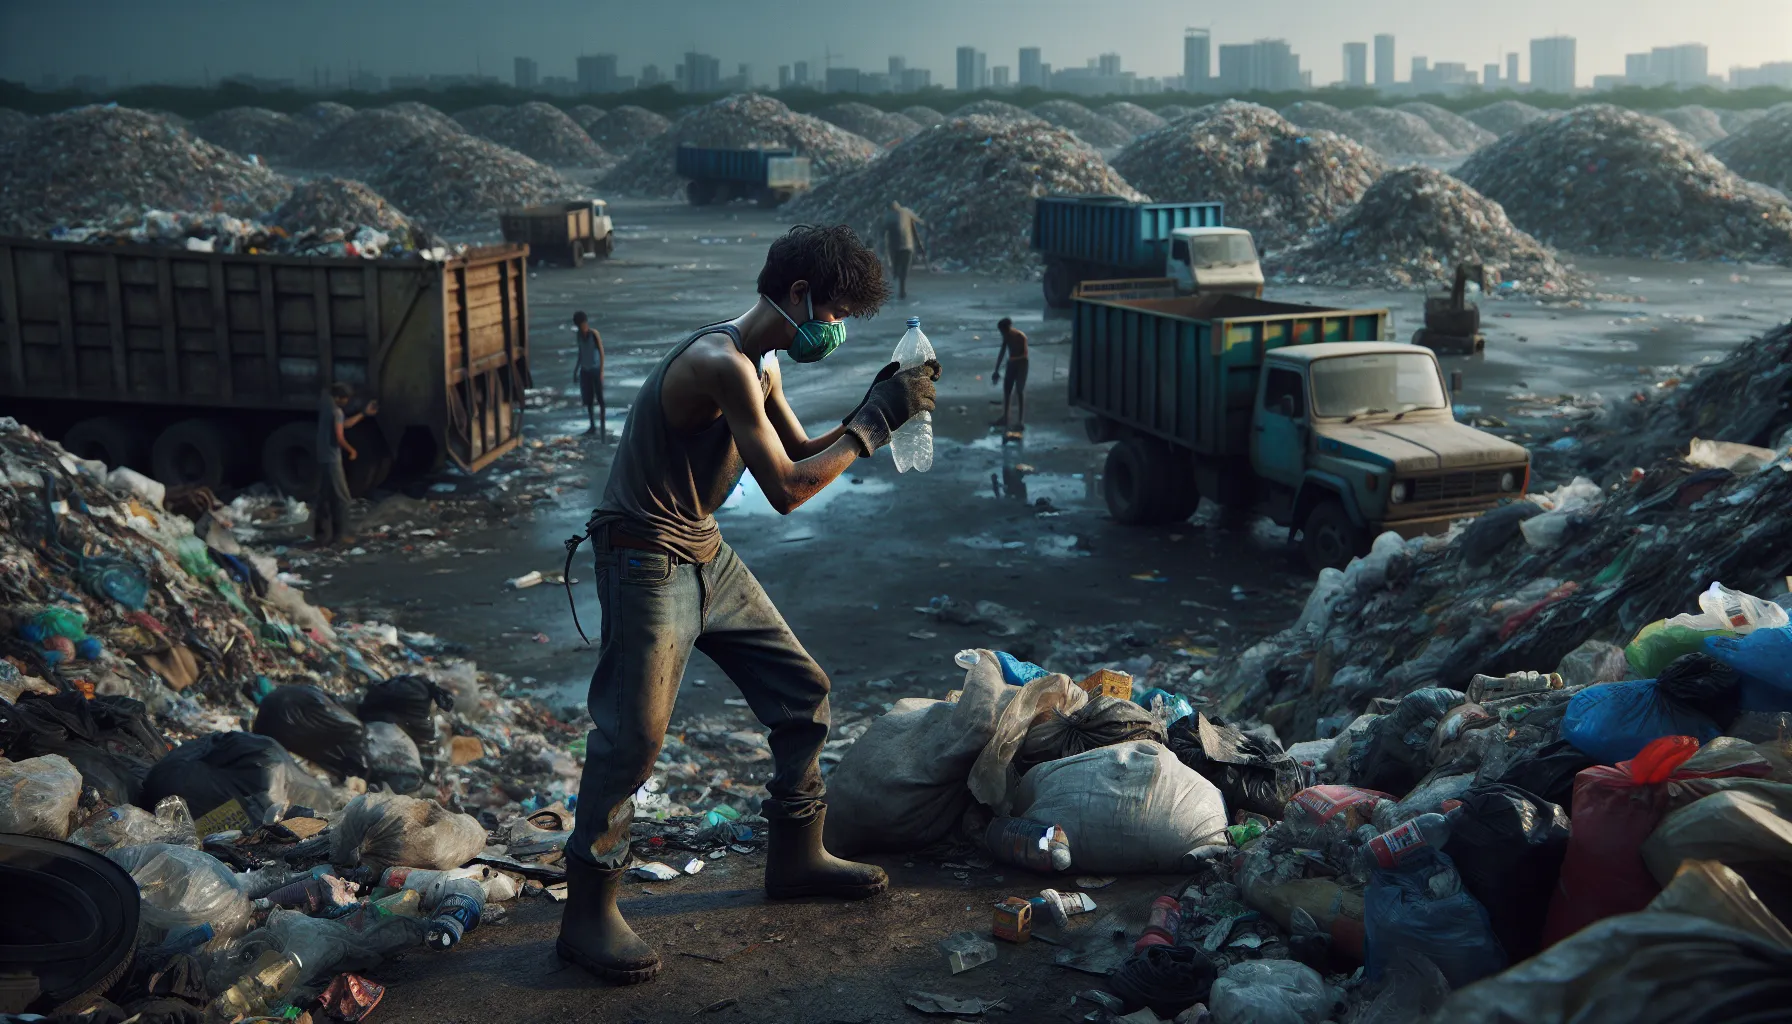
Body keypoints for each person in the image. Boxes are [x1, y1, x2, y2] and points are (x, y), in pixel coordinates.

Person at [558, 224, 939, 986]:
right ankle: (586, 916)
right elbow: (788, 492)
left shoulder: (761, 361)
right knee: (632, 741)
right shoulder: (718, 361)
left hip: (701, 546)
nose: (831, 330)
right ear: (798, 295)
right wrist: (874, 425)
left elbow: (798, 452)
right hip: (643, 555)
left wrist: (875, 404)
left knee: (803, 693)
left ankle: (796, 856)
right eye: (831, 312)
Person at [313, 382, 377, 546]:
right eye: (345, 399)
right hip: (333, 459)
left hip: (322, 457)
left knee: (324, 497)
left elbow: (344, 424)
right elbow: (340, 437)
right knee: (343, 498)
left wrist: (363, 414)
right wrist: (351, 450)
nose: (346, 402)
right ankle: (341, 536)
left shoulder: (327, 406)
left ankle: (320, 534)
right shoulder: (337, 411)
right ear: (338, 398)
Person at [877, 200, 927, 300]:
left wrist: (880, 248)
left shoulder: (888, 217)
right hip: (907, 246)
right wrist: (920, 245)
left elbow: (881, 233)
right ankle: (901, 290)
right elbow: (916, 226)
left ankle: (899, 287)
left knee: (897, 269)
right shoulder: (907, 212)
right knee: (904, 269)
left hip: (895, 247)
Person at [573, 310, 606, 438]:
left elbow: (602, 353)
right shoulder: (579, 336)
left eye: (582, 325)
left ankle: (602, 424)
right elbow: (580, 353)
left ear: (585, 323)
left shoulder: (594, 334)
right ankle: (592, 425)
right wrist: (576, 371)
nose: (581, 328)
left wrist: (602, 371)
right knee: (588, 399)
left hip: (596, 369)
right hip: (585, 370)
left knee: (600, 398)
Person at [991, 317, 1029, 429]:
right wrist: (996, 370)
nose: (1002, 333)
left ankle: (1020, 421)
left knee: (1020, 391)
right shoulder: (1006, 337)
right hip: (1012, 363)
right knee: (1007, 390)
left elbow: (1023, 354)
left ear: (1007, 328)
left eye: (1002, 331)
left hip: (1022, 363)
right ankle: (1005, 417)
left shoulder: (1020, 336)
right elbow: (1002, 352)